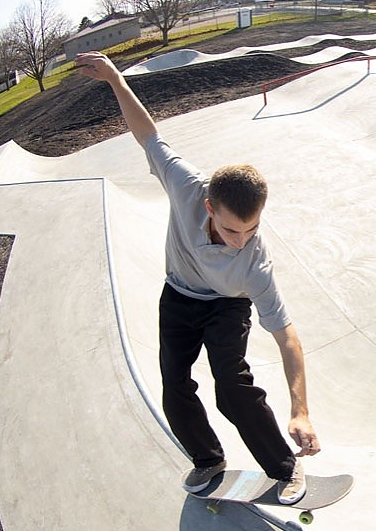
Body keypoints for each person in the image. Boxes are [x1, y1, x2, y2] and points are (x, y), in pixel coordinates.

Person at [75, 51, 320, 504]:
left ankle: (286, 466)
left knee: (231, 387)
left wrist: (300, 410)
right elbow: (148, 135)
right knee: (174, 383)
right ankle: (208, 459)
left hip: (227, 306)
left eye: (251, 229)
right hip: (179, 297)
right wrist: (114, 79)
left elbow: (287, 337)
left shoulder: (254, 264)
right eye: (230, 229)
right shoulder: (187, 185)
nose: (240, 241)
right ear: (209, 206)